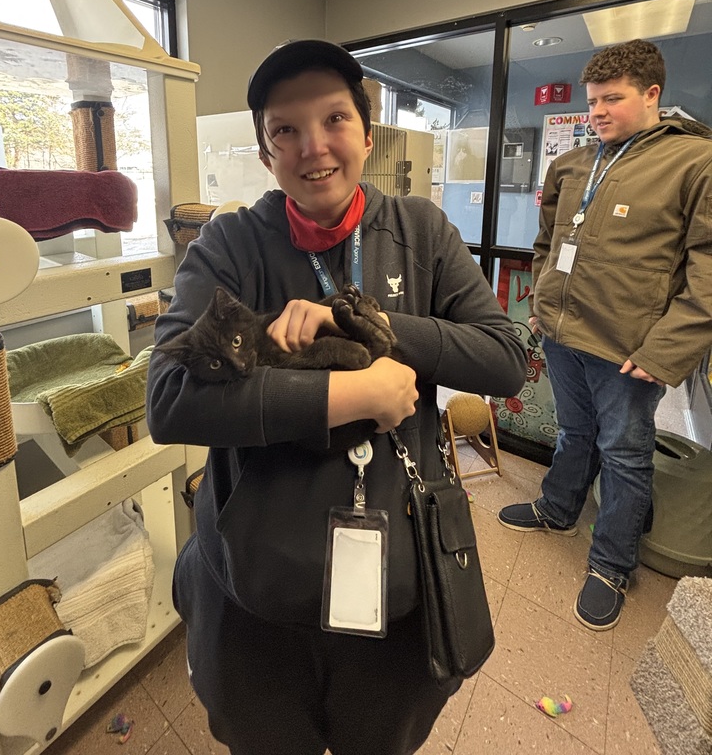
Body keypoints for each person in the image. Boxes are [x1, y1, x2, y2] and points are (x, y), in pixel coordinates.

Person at [147, 39, 526, 755]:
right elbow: (169, 401)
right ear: (265, 154)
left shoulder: (421, 231)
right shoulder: (228, 244)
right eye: (284, 130)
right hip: (252, 587)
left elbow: (507, 360)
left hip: (395, 583)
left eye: (334, 120)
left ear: (366, 134)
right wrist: (350, 393)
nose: (311, 147)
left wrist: (373, 327)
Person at [498, 39, 712, 631]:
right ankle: (558, 509)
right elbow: (547, 244)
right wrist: (541, 304)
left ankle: (612, 565)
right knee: (574, 432)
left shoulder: (694, 163)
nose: (597, 111)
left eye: (611, 99)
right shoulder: (571, 164)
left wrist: (667, 351)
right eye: (592, 101)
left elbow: (708, 272)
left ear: (651, 94)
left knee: (624, 455)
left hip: (629, 350)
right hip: (564, 334)